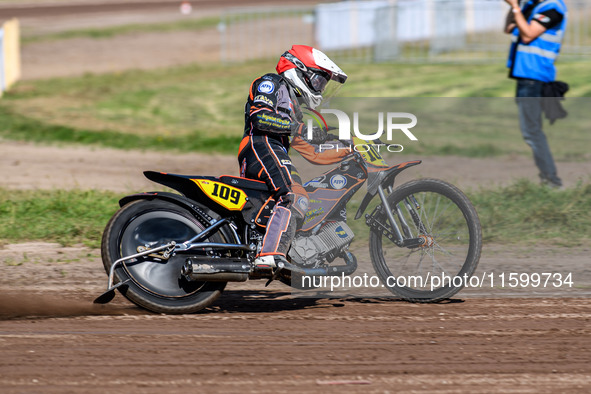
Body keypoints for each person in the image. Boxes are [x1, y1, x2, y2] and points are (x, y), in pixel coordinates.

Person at [237, 45, 350, 268]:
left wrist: (350, 148)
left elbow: (311, 152)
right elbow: (260, 118)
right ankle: (269, 255)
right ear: (298, 70)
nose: (320, 88)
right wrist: (300, 129)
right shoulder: (271, 82)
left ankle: (292, 255)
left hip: (274, 150)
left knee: (300, 197)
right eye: (318, 81)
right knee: (288, 194)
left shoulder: (293, 106)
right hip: (260, 145)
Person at [504, 0, 567, 188]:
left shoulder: (553, 7)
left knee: (532, 132)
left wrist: (515, 7)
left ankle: (552, 181)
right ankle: (548, 179)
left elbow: (528, 35)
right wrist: (513, 6)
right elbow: (509, 27)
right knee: (532, 131)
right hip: (525, 76)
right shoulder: (532, 4)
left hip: (535, 76)